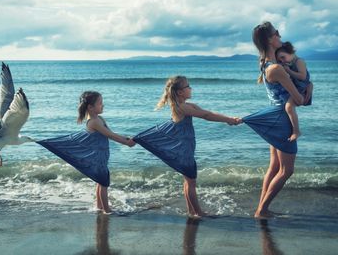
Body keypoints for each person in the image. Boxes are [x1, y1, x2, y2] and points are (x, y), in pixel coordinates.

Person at [133, 76, 240, 218]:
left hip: (187, 146)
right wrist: (228, 120)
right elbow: (206, 116)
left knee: (188, 180)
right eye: (187, 86)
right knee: (191, 180)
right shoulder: (181, 107)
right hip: (183, 148)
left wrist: (229, 119)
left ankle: (192, 211)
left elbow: (207, 112)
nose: (191, 88)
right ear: (179, 92)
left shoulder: (187, 105)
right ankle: (198, 212)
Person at [247, 21, 312, 218]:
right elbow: (299, 101)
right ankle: (262, 210)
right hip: (283, 121)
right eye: (276, 33)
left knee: (274, 166)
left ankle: (262, 208)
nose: (279, 35)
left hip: (274, 117)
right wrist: (309, 89)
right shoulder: (277, 68)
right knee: (286, 170)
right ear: (269, 39)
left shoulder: (266, 64)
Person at [37, 91, 135, 214]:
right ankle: (107, 210)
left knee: (101, 182)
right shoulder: (94, 122)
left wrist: (127, 139)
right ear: (90, 107)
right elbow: (110, 135)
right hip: (98, 156)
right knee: (104, 183)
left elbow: (112, 133)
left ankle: (99, 206)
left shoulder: (99, 119)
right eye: (100, 103)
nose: (103, 105)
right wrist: (127, 143)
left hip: (103, 155)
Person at [275, 41, 312, 141]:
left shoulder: (299, 61)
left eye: (283, 57)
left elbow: (302, 76)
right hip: (297, 87)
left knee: (289, 107)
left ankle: (296, 131)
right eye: (280, 60)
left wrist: (289, 71)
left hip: (301, 87)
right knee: (287, 107)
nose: (282, 61)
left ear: (291, 52)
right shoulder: (290, 63)